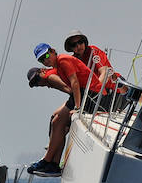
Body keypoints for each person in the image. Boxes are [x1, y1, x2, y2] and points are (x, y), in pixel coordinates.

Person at [25, 42, 109, 175]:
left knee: (57, 122)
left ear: (53, 51)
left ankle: (48, 161)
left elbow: (74, 84)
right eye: (42, 59)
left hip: (92, 95)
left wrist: (77, 107)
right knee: (56, 121)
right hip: (86, 93)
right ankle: (52, 162)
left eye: (46, 55)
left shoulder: (61, 61)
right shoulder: (57, 67)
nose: (46, 60)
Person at [64, 30, 126, 98]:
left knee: (137, 97)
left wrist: (93, 92)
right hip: (97, 96)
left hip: (115, 87)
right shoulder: (72, 61)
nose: (78, 46)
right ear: (71, 48)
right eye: (74, 45)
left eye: (80, 42)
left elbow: (105, 73)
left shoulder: (93, 51)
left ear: (84, 42)